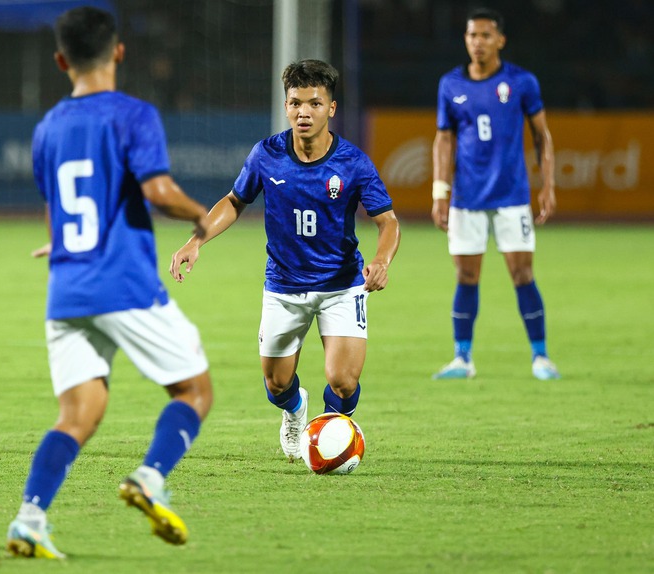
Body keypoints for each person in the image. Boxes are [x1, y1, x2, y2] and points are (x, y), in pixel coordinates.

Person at [6, 7, 213, 559]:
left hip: (66, 289)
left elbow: (57, 209)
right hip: (121, 284)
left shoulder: (47, 127)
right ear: (119, 52)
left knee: (78, 415)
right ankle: (150, 477)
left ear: (59, 60)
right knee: (194, 391)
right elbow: (160, 191)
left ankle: (30, 517)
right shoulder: (133, 113)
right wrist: (201, 215)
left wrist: (64, 241)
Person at [170, 59, 400, 462]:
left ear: (331, 108)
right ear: (286, 105)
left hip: (341, 286)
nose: (303, 112)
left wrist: (382, 260)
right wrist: (196, 240)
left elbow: (388, 222)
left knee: (344, 381)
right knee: (277, 385)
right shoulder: (267, 155)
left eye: (314, 103)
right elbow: (234, 200)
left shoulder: (353, 163)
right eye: (295, 103)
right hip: (283, 287)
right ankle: (296, 412)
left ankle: (329, 436)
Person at [431, 8, 560, 381]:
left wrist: (547, 185)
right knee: (466, 276)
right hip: (466, 198)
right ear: (466, 40)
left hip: (511, 196)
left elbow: (542, 136)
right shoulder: (450, 84)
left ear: (500, 40)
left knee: (522, 273)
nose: (478, 42)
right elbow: (443, 139)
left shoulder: (522, 82)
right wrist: (440, 192)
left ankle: (540, 356)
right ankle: (462, 358)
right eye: (472, 35)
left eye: (486, 36)